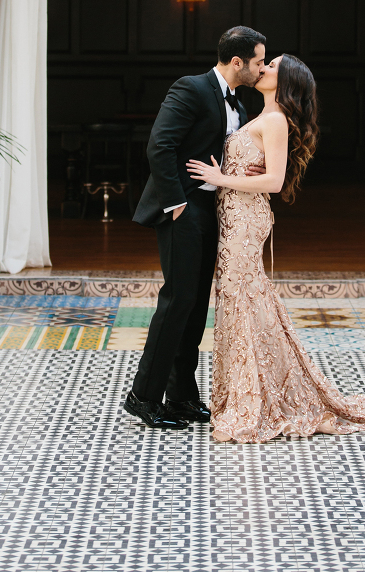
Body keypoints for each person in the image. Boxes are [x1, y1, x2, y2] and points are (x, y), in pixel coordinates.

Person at [187, 53, 365, 442]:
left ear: (287, 81)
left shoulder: (276, 120)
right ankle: (249, 390)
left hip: (246, 221)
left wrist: (219, 177)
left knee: (243, 296)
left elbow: (275, 182)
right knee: (238, 298)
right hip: (234, 217)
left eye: (273, 65)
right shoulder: (259, 115)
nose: (263, 68)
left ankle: (262, 396)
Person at [124, 26, 268, 430]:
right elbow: (160, 145)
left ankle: (182, 396)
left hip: (211, 208)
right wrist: (177, 205)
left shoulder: (239, 102)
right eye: (258, 61)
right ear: (237, 61)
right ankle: (144, 396)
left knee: (193, 306)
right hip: (183, 209)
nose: (261, 68)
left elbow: (227, 151)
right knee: (177, 301)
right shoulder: (191, 88)